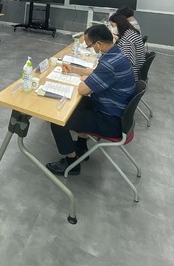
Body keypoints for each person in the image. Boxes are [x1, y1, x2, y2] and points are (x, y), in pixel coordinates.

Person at [46, 24, 135, 176]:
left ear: (99, 43)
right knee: (79, 105)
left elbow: (82, 90)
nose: (91, 49)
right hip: (116, 113)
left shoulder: (109, 64)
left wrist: (86, 80)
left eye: (90, 46)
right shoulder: (117, 53)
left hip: (109, 121)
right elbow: (96, 71)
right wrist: (75, 70)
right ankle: (81, 147)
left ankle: (71, 163)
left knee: (58, 119)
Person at [109, 13, 146, 79]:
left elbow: (127, 63)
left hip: (130, 75)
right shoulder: (129, 33)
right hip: (134, 71)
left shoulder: (128, 40)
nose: (111, 28)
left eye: (112, 26)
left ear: (119, 24)